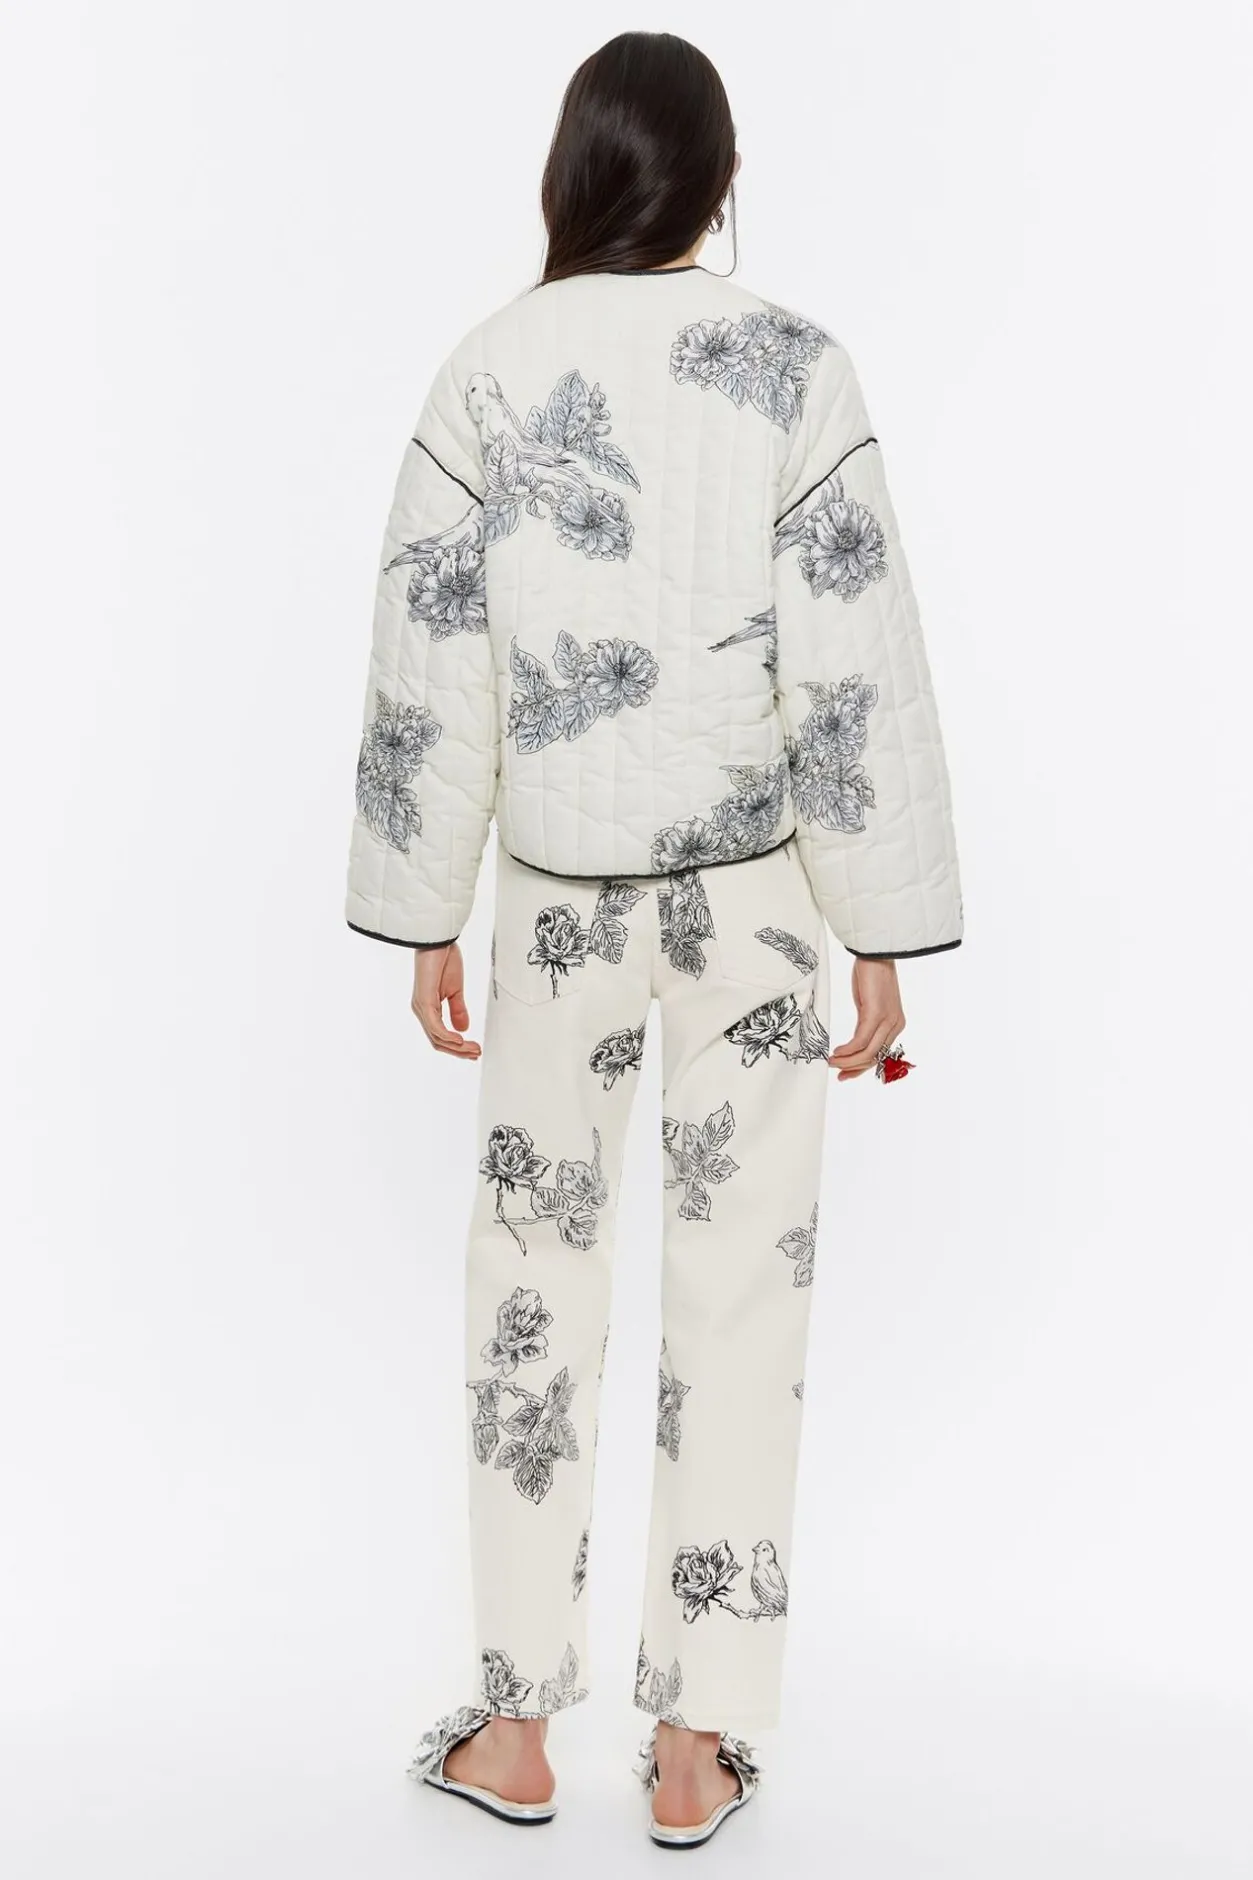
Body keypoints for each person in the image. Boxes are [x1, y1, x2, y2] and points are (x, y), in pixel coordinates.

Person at [345, 28, 961, 1849]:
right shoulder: (797, 372)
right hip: (757, 906)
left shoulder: (485, 371)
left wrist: (426, 909)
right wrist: (876, 928)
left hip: (553, 907)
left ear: (575, 170)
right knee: (742, 1295)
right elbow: (853, 667)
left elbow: (433, 665)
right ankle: (698, 1747)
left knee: (532, 1286)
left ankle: (517, 1730)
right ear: (719, 177)